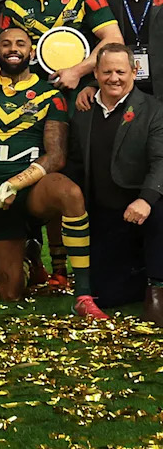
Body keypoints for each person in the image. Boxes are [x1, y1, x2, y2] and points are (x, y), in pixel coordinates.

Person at [0, 27, 107, 318]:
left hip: (30, 187)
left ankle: (83, 293)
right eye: (6, 44)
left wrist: (14, 184)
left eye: (20, 44)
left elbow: (57, 155)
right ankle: (28, 256)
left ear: (32, 52)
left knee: (69, 192)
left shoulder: (51, 93)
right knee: (9, 291)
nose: (13, 49)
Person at [67, 44, 163, 325]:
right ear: (95, 73)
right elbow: (74, 161)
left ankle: (157, 287)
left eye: (121, 71)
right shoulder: (82, 109)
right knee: (108, 295)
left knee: (161, 213)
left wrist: (146, 199)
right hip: (106, 214)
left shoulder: (154, 109)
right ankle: (142, 273)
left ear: (134, 72)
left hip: (145, 206)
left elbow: (161, 161)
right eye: (106, 71)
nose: (114, 78)